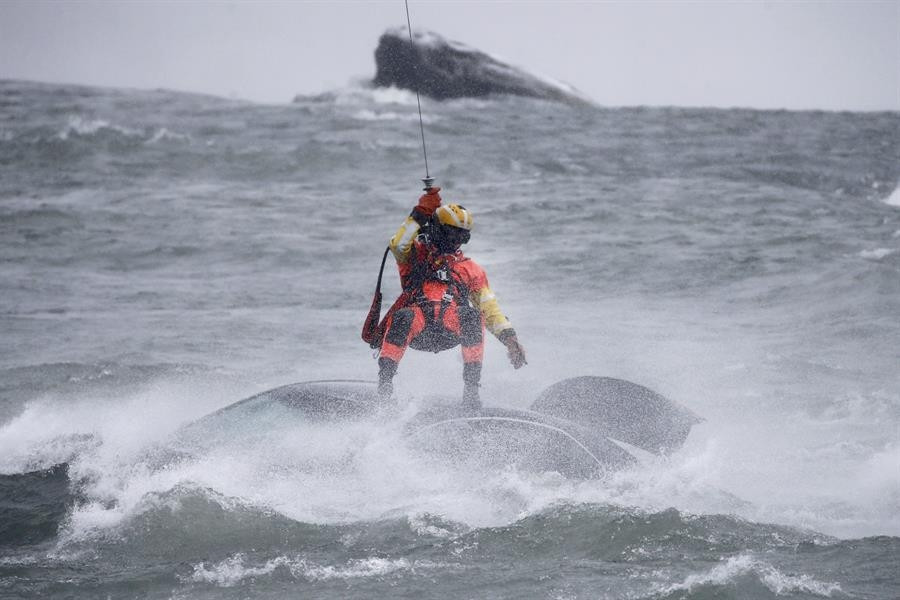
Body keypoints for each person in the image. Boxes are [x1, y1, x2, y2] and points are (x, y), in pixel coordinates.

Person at [377, 186, 526, 409]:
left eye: (460, 236)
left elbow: (490, 309)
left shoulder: (470, 269)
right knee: (403, 317)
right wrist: (420, 212)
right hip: (418, 326)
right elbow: (398, 243)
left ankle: (471, 394)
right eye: (450, 233)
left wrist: (510, 339)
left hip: (450, 329)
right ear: (437, 230)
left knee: (473, 316)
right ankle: (384, 390)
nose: (454, 241)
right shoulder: (414, 256)